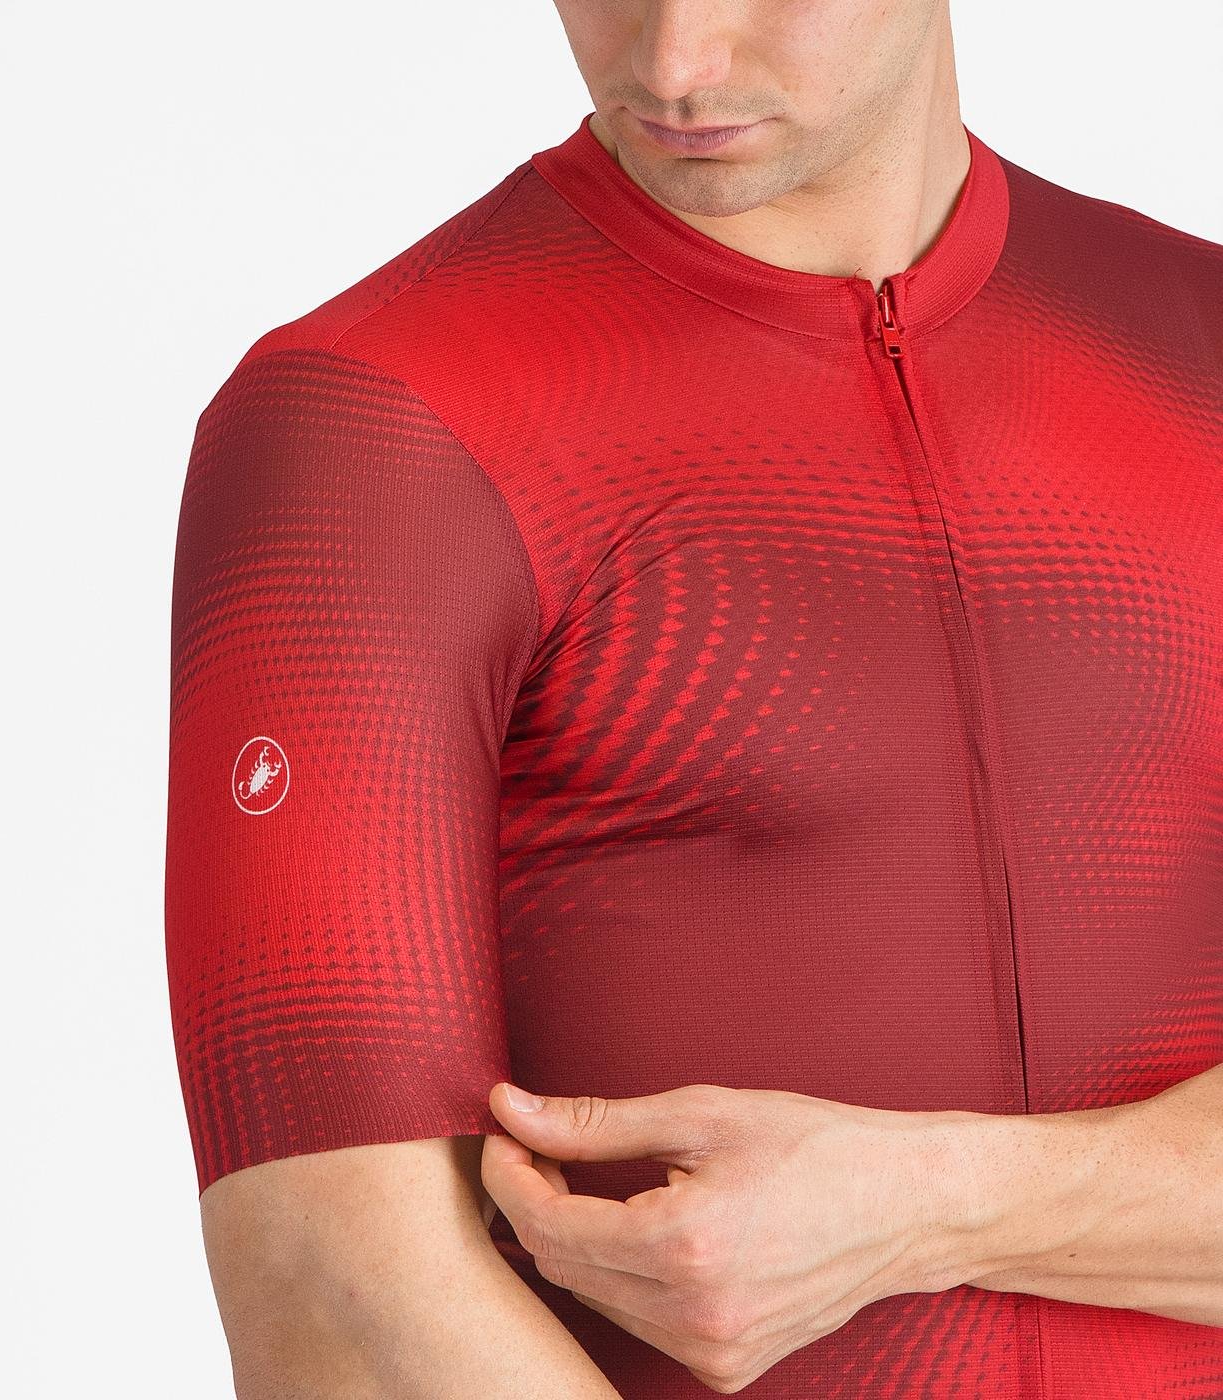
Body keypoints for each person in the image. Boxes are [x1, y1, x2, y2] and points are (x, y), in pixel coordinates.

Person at [164, 1, 1223, 1394]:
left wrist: (927, 1204)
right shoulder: (370, 427)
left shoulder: (1195, 353)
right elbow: (343, 1302)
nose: (673, 64)